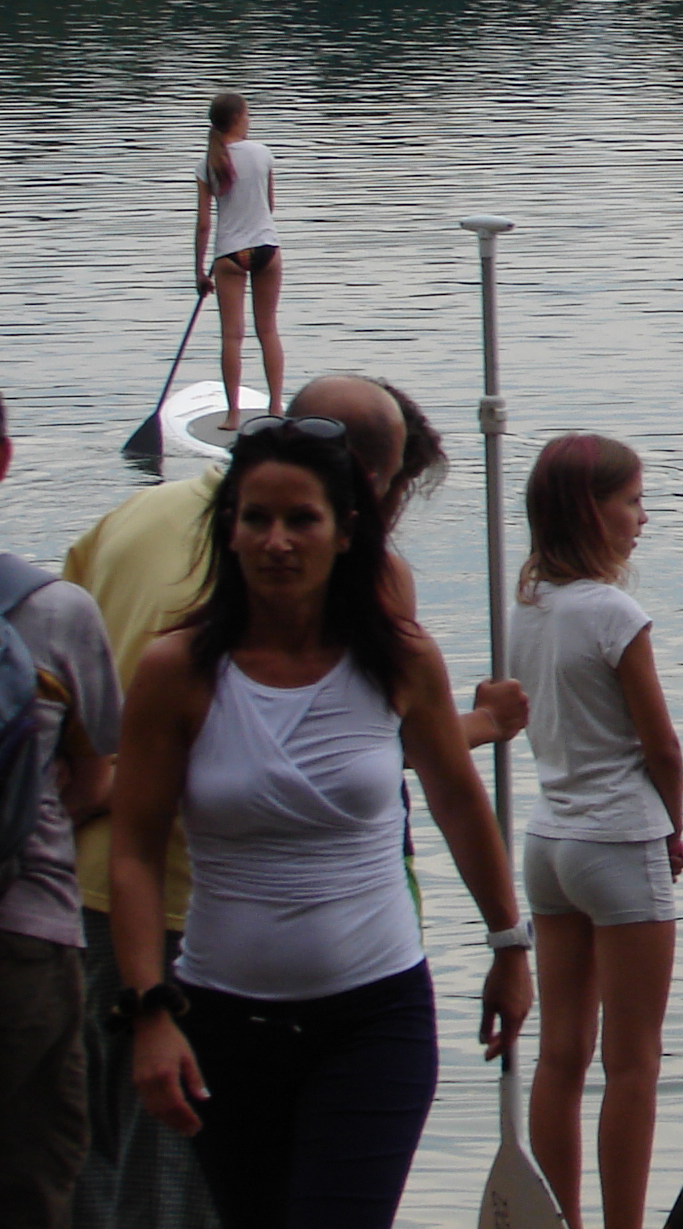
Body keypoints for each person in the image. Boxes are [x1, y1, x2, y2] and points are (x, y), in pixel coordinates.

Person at [64, 374, 524, 1229]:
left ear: (348, 530)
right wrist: (150, 1010)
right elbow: (132, 848)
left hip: (374, 1014)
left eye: (301, 520)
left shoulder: (397, 657)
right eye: (256, 520)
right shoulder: (179, 670)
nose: (277, 542)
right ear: (228, 531)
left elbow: (460, 806)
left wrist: (509, 942)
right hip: (219, 1016)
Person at [509, 435, 683, 1229]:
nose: (642, 519)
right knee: (633, 1062)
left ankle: (560, 1220)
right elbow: (662, 744)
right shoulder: (614, 612)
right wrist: (675, 826)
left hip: (548, 842)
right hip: (619, 840)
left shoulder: (526, 607)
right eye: (632, 502)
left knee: (560, 1054)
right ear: (593, 511)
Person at [0, 390, 124, 1229]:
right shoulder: (52, 614)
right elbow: (99, 773)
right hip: (27, 933)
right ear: (5, 459)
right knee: (40, 1178)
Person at [192, 96, 283, 434]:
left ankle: (232, 416)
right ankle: (275, 406)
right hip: (267, 248)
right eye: (247, 115)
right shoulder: (262, 153)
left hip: (229, 255)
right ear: (238, 119)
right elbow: (269, 205)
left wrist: (200, 271)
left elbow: (204, 224)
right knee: (268, 330)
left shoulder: (207, 163)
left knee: (232, 336)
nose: (250, 120)